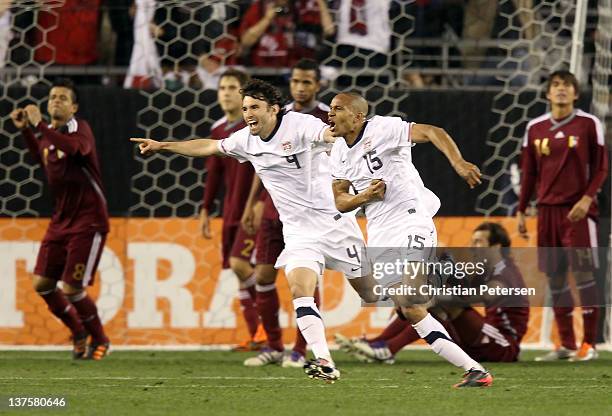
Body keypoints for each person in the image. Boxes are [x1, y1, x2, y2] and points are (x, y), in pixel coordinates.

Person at [131, 79, 380, 383]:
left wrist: (341, 136)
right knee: (300, 290)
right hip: (299, 233)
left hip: (335, 225)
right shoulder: (244, 140)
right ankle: (324, 361)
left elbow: (327, 134)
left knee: (373, 294)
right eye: (246, 107)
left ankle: (431, 283)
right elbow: (209, 146)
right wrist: (163, 146)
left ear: (273, 109)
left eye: (255, 107)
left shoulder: (299, 124)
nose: (248, 113)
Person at [328, 92, 492, 388]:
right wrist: (365, 196)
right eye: (330, 109)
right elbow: (340, 201)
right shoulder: (338, 151)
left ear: (357, 117)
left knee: (411, 296)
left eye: (337, 109)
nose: (330, 114)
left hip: (412, 219)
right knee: (410, 308)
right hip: (379, 231)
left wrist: (457, 162)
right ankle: (475, 371)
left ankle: (442, 276)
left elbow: (433, 131)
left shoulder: (382, 128)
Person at [9, 78, 110, 360]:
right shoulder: (50, 134)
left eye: (63, 98)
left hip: (88, 222)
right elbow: (44, 159)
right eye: (53, 96)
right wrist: (28, 132)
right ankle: (78, 332)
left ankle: (100, 339)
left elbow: (77, 150)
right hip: (60, 222)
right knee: (42, 284)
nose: (56, 100)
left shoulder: (80, 130)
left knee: (72, 288)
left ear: (74, 106)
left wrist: (38, 125)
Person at [240, 58, 330, 368]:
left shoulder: (325, 119)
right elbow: (259, 159)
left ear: (318, 85)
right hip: (273, 211)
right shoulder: (272, 116)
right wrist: (254, 201)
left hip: (311, 216)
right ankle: (273, 346)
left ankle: (300, 350)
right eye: (295, 81)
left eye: (307, 82)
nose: (300, 87)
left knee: (306, 281)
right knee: (263, 276)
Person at [341, 222, 530, 364]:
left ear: (496, 246)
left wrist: (431, 297)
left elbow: (483, 295)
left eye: (478, 241)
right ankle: (377, 344)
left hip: (503, 345)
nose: (472, 246)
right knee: (429, 304)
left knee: (438, 302)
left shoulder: (506, 271)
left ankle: (387, 349)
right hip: (482, 339)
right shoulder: (488, 269)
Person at [517, 70, 608, 362]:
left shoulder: (589, 124)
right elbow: (528, 172)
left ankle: (588, 344)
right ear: (547, 93)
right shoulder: (535, 128)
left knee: (583, 273)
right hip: (546, 212)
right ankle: (567, 343)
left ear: (576, 93)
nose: (561, 90)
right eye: (555, 85)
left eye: (567, 86)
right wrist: (521, 209)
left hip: (578, 212)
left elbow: (602, 167)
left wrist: (586, 198)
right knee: (555, 278)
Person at [199, 68, 266, 351]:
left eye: (231, 87)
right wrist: (205, 208)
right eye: (221, 87)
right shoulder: (217, 130)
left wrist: (261, 201)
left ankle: (265, 331)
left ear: (243, 95)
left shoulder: (255, 127)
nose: (225, 92)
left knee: (241, 264)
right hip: (230, 210)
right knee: (238, 272)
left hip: (252, 210)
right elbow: (213, 173)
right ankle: (256, 335)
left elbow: (267, 167)